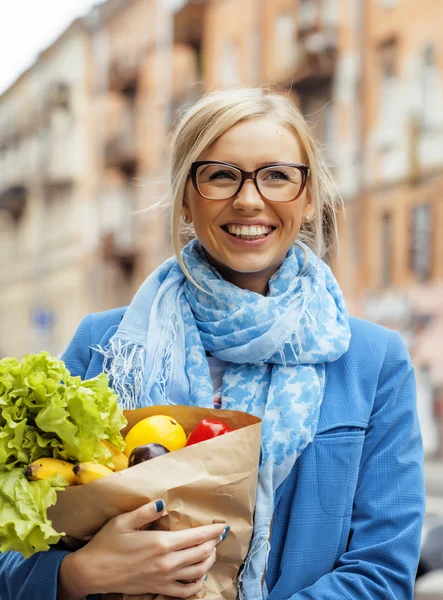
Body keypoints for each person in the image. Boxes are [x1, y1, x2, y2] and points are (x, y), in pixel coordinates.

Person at [0, 87, 425, 600]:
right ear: (186, 196)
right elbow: (12, 544)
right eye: (221, 175)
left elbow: (381, 573)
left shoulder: (372, 361)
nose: (249, 199)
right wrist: (78, 575)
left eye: (277, 176)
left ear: (309, 199)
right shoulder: (104, 347)